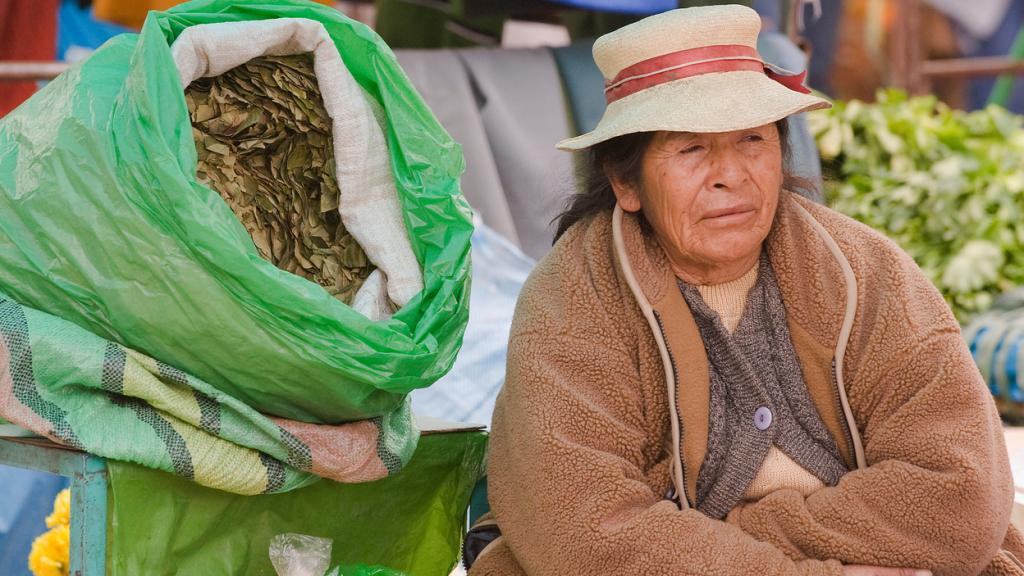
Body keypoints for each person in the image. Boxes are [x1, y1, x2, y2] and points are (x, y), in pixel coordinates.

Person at [466, 5, 1023, 575]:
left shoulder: (865, 274)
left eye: (752, 140)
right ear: (625, 182)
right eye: (691, 149)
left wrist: (730, 533)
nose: (731, 174)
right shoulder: (571, 303)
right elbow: (581, 530)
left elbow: (961, 497)